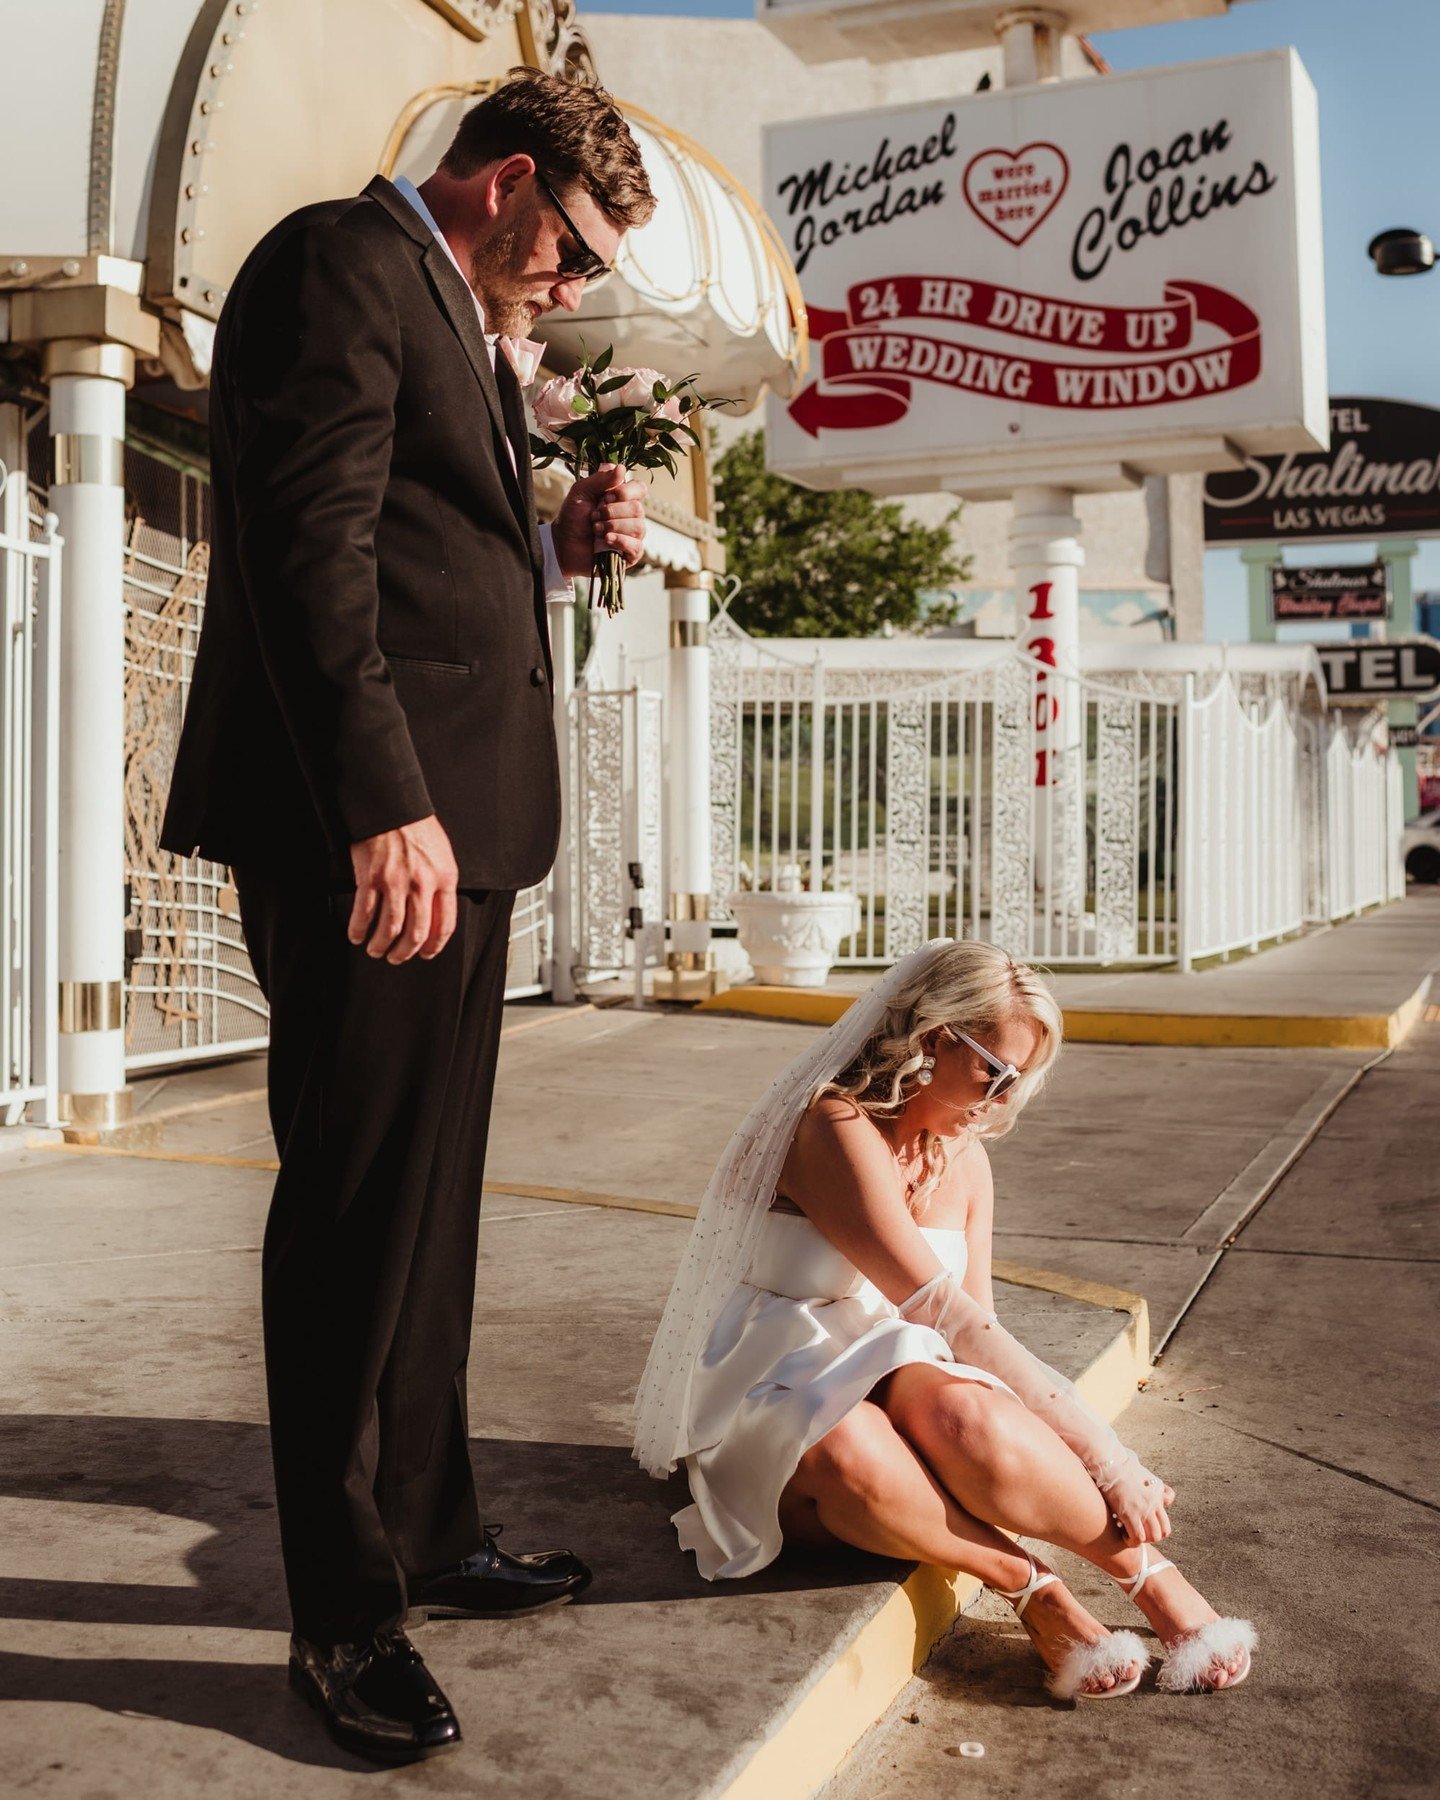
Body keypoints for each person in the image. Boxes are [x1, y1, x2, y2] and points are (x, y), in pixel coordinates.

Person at [160, 71, 655, 1763]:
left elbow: (432, 549)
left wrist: (558, 537)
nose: (573, 289)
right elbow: (313, 550)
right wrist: (382, 802)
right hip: (372, 829)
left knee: (432, 1210)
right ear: (505, 180)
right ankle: (341, 1611)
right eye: (575, 251)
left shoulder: (453, 309)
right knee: (358, 1209)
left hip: (462, 828)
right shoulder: (339, 264)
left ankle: (434, 1533)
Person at [633, 939, 1255, 1700]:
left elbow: (975, 1338)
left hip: (901, 1380)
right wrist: (1109, 1458)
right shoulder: (831, 1124)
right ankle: (1033, 1589)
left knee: (966, 1410)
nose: (1003, 1097)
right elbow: (945, 1314)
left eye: (1020, 1079)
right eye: (993, 1071)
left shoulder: (963, 1157)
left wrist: (1061, 1448)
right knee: (847, 1445)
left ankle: (1153, 1579)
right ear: (932, 1040)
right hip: (772, 1386)